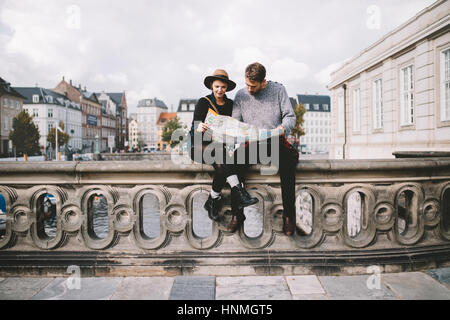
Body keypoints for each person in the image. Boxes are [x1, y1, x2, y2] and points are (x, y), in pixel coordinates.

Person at [229, 62, 298, 236]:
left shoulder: (278, 90)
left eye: (253, 86)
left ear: (263, 82)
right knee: (233, 164)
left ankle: (289, 216)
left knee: (289, 162)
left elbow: (290, 117)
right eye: (247, 85)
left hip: (275, 141)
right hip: (251, 143)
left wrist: (281, 129)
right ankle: (237, 214)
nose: (249, 89)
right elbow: (235, 122)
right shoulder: (241, 95)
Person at [189, 69, 258, 222]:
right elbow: (194, 127)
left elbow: (234, 128)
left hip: (220, 147)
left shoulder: (231, 105)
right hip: (199, 145)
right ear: (211, 87)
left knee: (222, 165)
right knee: (221, 153)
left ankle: (212, 200)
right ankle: (239, 190)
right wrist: (198, 127)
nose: (220, 90)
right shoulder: (203, 102)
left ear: (227, 88)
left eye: (223, 87)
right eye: (216, 87)